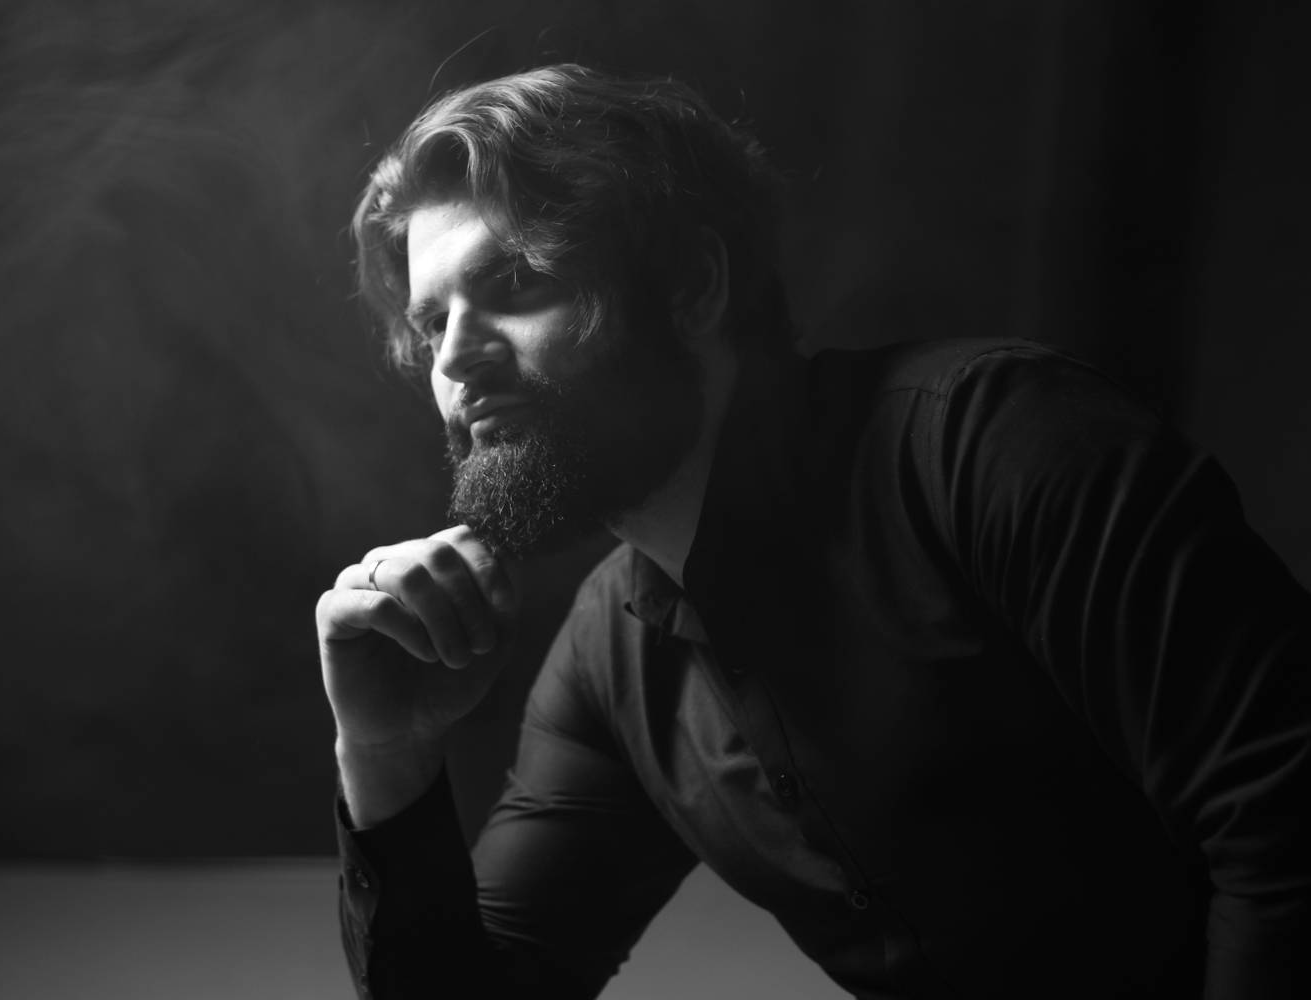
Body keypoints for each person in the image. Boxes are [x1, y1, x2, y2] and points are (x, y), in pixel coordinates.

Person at [316, 63, 1310, 999]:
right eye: (432, 321)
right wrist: (384, 749)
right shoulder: (611, 661)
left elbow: (1286, 824)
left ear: (691, 285)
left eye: (516, 283)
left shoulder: (997, 446)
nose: (455, 360)